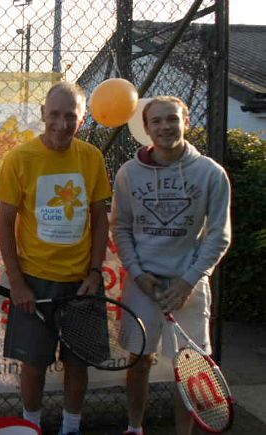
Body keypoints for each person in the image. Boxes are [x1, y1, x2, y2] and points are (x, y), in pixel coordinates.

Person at [110, 96, 231, 435]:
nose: (165, 127)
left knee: (189, 370)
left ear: (186, 122)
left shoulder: (211, 173)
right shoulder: (128, 174)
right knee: (138, 361)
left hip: (189, 287)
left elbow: (219, 235)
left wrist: (188, 281)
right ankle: (134, 428)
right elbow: (119, 227)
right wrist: (137, 273)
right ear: (146, 129)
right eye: (157, 121)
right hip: (142, 286)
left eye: (172, 119)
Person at [0, 81, 112, 435]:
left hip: (82, 282)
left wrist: (94, 272)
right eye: (55, 115)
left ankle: (70, 428)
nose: (62, 124)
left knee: (78, 364)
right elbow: (4, 221)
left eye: (71, 116)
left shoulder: (91, 157)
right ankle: (31, 427)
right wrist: (17, 282)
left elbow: (99, 218)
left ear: (83, 119)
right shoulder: (19, 158)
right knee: (33, 364)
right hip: (35, 281)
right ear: (43, 114)